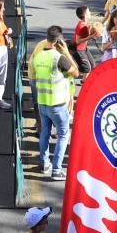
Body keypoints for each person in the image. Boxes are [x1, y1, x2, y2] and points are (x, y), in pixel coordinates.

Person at [32, 26, 80, 178]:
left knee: (44, 132)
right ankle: (57, 169)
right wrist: (66, 52)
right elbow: (76, 72)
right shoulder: (58, 58)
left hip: (42, 102)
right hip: (57, 104)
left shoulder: (38, 56)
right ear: (59, 40)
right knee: (63, 135)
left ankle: (44, 163)